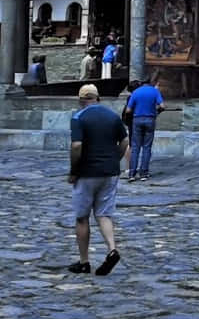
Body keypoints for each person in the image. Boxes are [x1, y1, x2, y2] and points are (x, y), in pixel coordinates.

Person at [67, 84, 126, 276]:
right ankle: (112, 249)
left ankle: (84, 261)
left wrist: (74, 170)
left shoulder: (79, 117)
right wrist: (114, 159)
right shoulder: (112, 116)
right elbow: (125, 141)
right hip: (110, 172)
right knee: (103, 214)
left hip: (87, 172)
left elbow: (76, 146)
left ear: (81, 100)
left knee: (82, 217)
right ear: (98, 98)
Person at [123, 77, 164, 182]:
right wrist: (156, 112)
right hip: (150, 120)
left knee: (135, 147)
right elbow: (162, 106)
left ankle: (132, 173)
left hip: (137, 120)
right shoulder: (155, 91)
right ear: (150, 83)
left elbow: (128, 110)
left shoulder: (136, 92)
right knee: (147, 147)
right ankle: (144, 174)